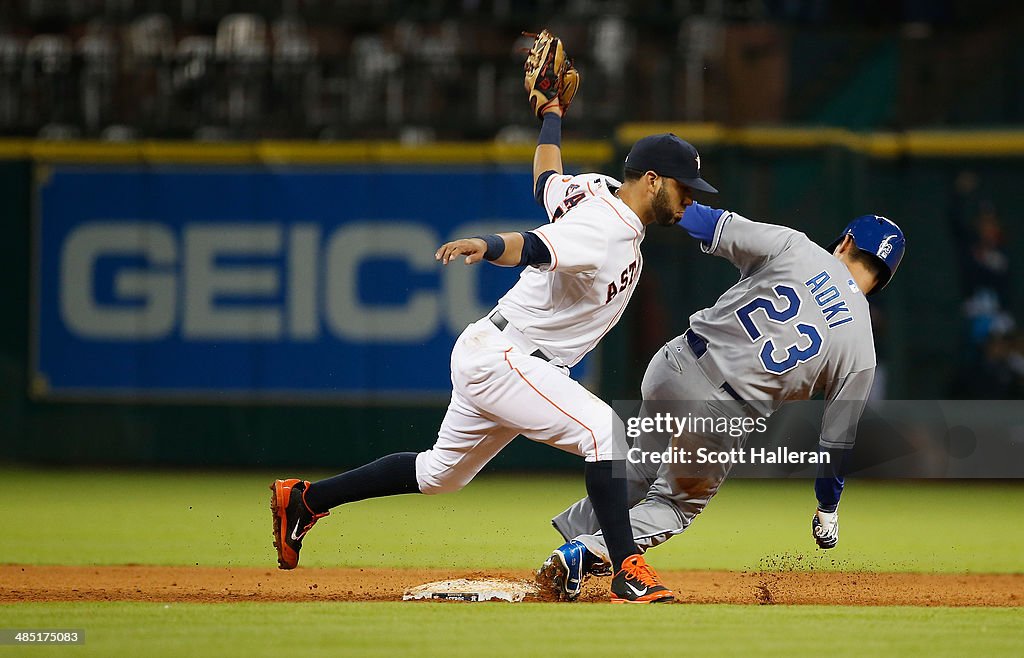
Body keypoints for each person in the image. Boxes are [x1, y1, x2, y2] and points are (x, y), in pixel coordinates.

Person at [269, 98, 720, 601]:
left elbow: (545, 179)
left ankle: (306, 500)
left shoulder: (596, 191)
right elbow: (533, 246)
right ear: (654, 179)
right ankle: (627, 567)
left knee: (439, 475)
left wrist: (551, 114)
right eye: (685, 188)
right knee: (603, 431)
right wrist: (487, 244)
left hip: (499, 353)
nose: (690, 201)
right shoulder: (607, 227)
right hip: (509, 359)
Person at [538, 203, 906, 601]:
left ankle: (571, 542)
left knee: (640, 466)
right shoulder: (862, 350)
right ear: (884, 279)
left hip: (674, 365)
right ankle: (587, 549)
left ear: (846, 242)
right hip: (721, 411)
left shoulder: (796, 247)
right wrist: (827, 509)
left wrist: (664, 202)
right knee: (676, 505)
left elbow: (710, 223)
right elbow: (836, 445)